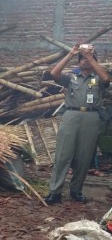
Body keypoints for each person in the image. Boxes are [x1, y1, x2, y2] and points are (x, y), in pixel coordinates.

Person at [43, 44, 110, 205]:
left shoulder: (98, 78)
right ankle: (55, 192)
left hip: (91, 117)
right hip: (71, 115)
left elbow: (107, 79)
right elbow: (54, 73)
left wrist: (90, 57)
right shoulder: (71, 77)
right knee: (63, 155)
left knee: (84, 156)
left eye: (87, 59)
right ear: (78, 62)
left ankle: (76, 190)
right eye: (82, 59)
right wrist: (71, 54)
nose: (84, 62)